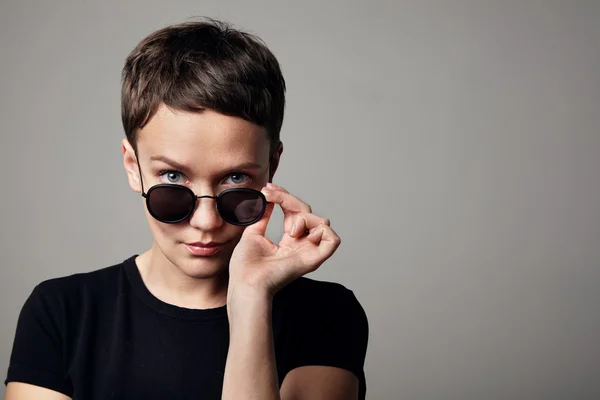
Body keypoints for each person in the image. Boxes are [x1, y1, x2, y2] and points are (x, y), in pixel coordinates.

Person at [4, 18, 369, 400]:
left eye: (235, 180)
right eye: (174, 179)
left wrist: (249, 298)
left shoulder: (326, 315)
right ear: (134, 167)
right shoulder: (61, 313)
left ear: (271, 168)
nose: (207, 222)